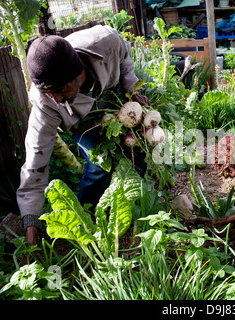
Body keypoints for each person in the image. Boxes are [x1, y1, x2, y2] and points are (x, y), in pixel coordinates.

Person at [17, 25, 151, 246]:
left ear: (77, 73)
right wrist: (31, 230)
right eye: (49, 94)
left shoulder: (106, 42)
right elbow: (35, 164)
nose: (56, 100)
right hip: (81, 123)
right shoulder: (46, 104)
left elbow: (125, 57)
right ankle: (86, 222)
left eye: (59, 91)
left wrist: (132, 88)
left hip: (112, 102)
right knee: (99, 166)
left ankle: (135, 204)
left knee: (137, 149)